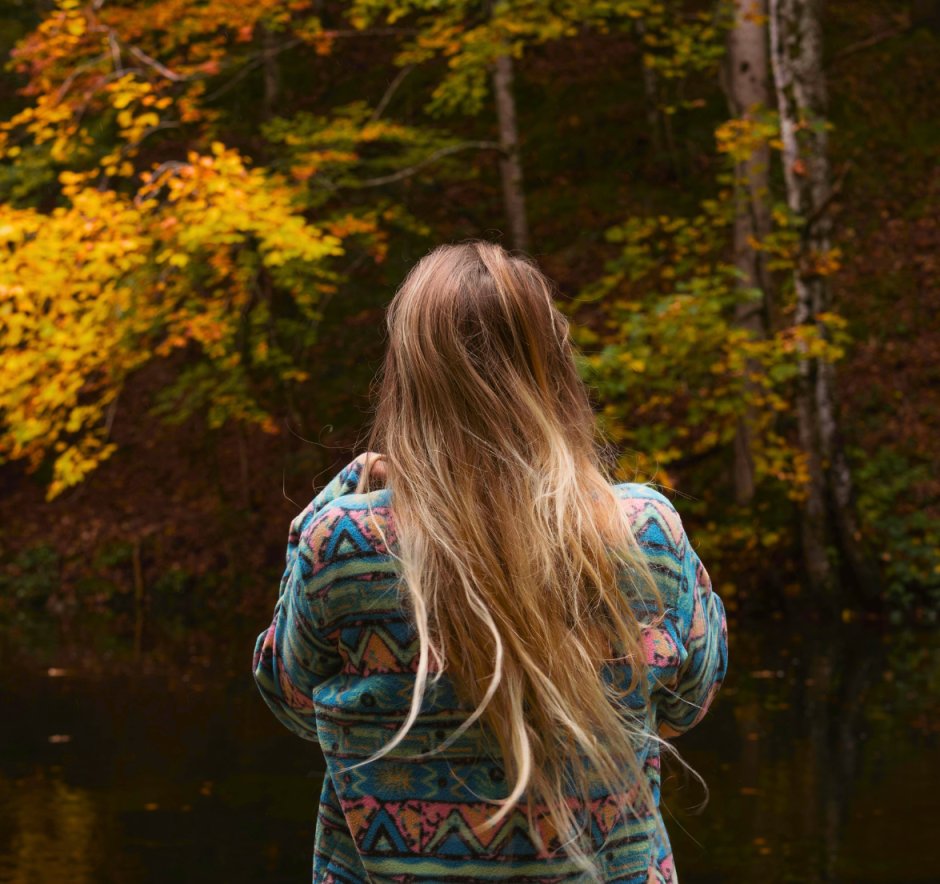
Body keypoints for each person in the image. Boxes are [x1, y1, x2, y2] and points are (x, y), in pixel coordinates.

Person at [253, 241, 727, 884]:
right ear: (554, 369)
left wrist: (348, 486)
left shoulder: (343, 543)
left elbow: (288, 696)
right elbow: (689, 700)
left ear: (409, 375)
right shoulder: (641, 530)